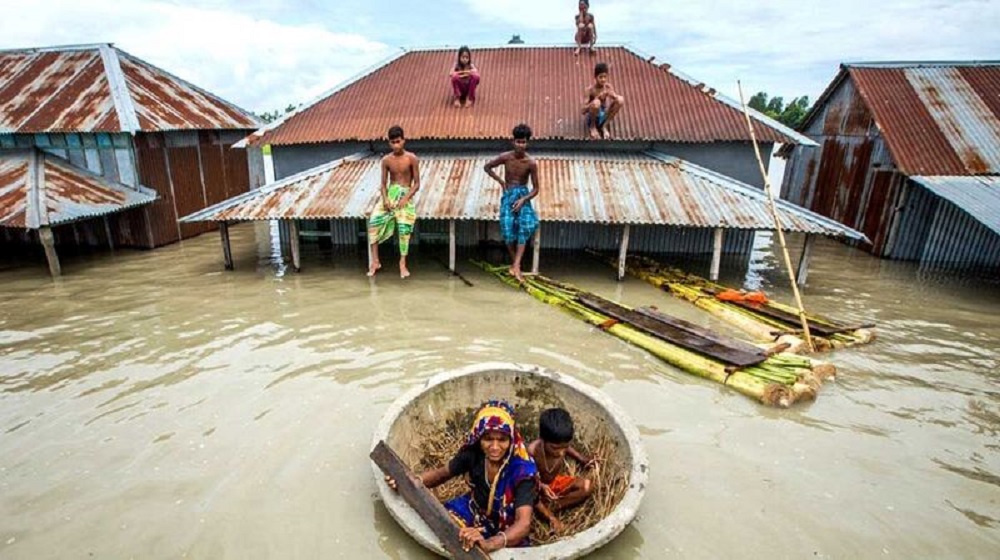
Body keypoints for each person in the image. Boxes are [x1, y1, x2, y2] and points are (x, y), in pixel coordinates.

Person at [386, 400, 538, 552]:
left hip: (507, 525)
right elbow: (441, 474)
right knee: (445, 527)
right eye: (488, 439)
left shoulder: (522, 472)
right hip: (475, 509)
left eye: (502, 439)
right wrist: (409, 480)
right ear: (479, 438)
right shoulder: (473, 454)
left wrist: (490, 543)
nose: (495, 447)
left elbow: (523, 523)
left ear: (511, 439)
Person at [483, 124, 540, 283]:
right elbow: (487, 167)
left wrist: (523, 200)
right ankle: (516, 264)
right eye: (518, 141)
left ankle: (516, 265)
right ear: (513, 141)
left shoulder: (531, 163)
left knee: (526, 225)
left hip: (522, 194)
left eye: (523, 142)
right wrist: (501, 182)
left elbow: (536, 189)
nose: (520, 145)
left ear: (527, 143)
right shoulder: (506, 157)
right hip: (508, 195)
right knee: (507, 229)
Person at [528, 408, 596, 534]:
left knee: (587, 486)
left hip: (553, 484)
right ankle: (546, 514)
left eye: (563, 447)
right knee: (529, 500)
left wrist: (582, 459)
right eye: (554, 448)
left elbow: (567, 448)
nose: (560, 452)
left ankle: (552, 507)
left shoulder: (561, 446)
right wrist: (541, 486)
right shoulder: (532, 451)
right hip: (534, 488)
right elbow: (527, 480)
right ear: (543, 440)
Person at [368, 125, 419, 278]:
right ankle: (375, 261)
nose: (396, 145)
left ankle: (402, 263)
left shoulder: (411, 158)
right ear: (389, 143)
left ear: (404, 140)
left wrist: (405, 198)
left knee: (404, 227)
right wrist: (385, 200)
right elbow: (383, 184)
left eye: (398, 141)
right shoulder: (386, 160)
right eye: (393, 142)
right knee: (374, 222)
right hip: (390, 194)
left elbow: (417, 184)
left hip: (405, 195)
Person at [582, 62, 625, 140]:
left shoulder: (608, 87)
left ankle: (604, 126)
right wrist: (597, 98)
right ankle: (593, 128)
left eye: (605, 77)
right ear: (595, 77)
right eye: (600, 77)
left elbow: (617, 100)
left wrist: (613, 96)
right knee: (596, 103)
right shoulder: (590, 90)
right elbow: (583, 110)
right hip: (592, 117)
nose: (603, 79)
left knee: (620, 99)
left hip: (603, 115)